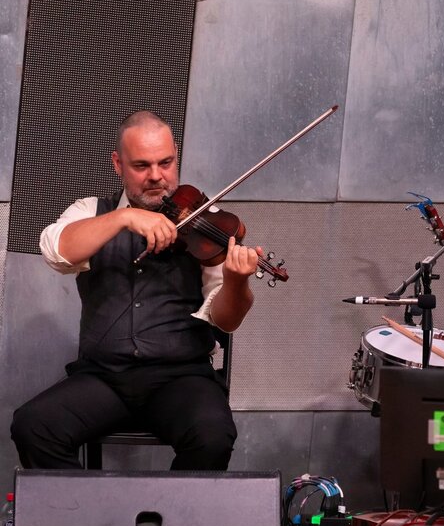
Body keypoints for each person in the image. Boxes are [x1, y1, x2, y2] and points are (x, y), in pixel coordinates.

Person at [10, 110, 261, 470]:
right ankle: (89, 523)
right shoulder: (93, 211)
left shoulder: (209, 222)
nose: (157, 176)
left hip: (181, 377)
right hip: (103, 377)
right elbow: (56, 250)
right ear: (118, 164)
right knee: (33, 426)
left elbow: (226, 320)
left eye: (166, 162)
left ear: (176, 156)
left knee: (212, 435)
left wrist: (237, 282)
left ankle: (171, 522)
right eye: (142, 165)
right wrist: (123, 218)